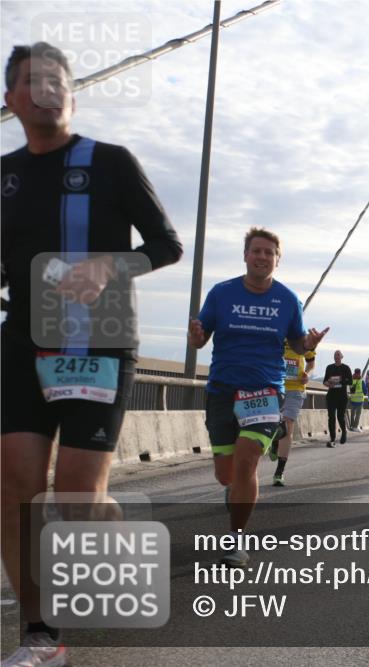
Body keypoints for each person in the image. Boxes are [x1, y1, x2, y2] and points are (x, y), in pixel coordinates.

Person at [1, 42, 183, 665]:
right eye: (33, 81)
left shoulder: (111, 163)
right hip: (22, 341)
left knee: (77, 495)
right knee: (14, 486)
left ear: (72, 96)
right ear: (11, 100)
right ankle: (40, 636)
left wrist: (109, 264)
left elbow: (166, 244)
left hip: (98, 340)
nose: (47, 89)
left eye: (57, 80)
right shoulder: (3, 175)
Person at [188, 227, 327, 568]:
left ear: (277, 260)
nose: (262, 257)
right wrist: (195, 335)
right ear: (246, 255)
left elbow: (295, 344)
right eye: (257, 251)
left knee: (247, 459)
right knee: (227, 473)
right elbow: (200, 340)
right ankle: (234, 490)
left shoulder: (288, 300)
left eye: (269, 252)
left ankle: (236, 542)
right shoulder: (221, 294)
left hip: (265, 390)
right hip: (222, 389)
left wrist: (307, 346)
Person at [273, 339, 315, 486]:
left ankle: (279, 471)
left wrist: (307, 373)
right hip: (274, 386)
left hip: (296, 388)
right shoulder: (276, 331)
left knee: (287, 426)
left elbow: (311, 362)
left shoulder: (304, 338)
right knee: (273, 425)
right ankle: (274, 442)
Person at [323, 350, 352, 446]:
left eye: (338, 355)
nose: (336, 356)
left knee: (340, 416)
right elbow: (325, 382)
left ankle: (344, 432)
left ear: (342, 357)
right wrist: (329, 384)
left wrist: (340, 381)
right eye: (335, 355)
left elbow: (350, 381)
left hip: (342, 396)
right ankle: (332, 438)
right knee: (331, 417)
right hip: (331, 395)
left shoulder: (346, 368)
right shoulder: (329, 367)